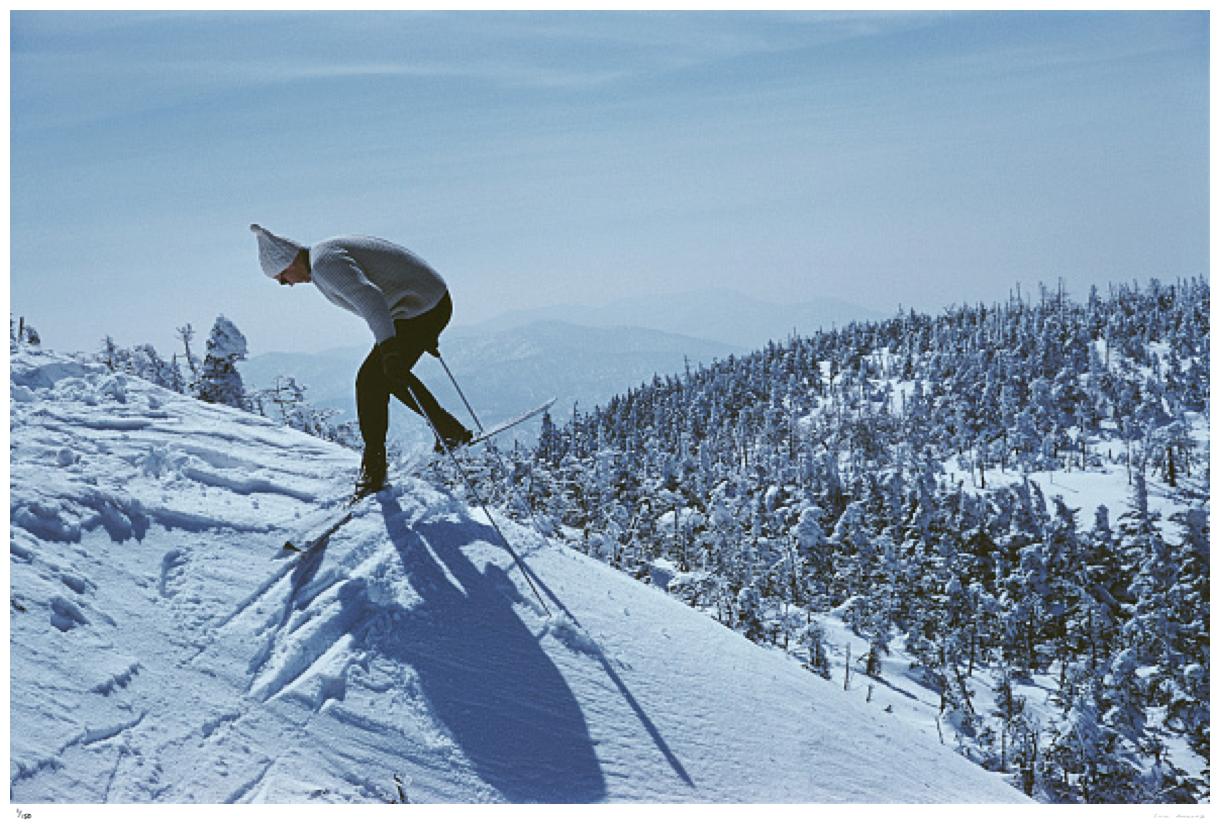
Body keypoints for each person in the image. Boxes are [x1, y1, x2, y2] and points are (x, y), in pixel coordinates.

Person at [251, 224, 472, 497]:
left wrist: (390, 346)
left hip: (422, 306)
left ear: (287, 262)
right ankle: (448, 429)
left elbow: (371, 299)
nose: (287, 284)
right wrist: (399, 342)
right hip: (425, 302)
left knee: (369, 381)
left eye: (282, 277)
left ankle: (375, 467)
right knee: (386, 374)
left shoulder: (324, 265)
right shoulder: (324, 256)